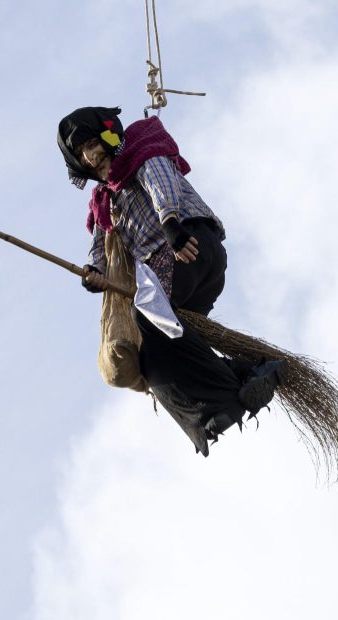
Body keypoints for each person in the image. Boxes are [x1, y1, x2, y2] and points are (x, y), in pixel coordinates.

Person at [57, 106, 284, 455]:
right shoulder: (105, 201)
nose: (90, 155)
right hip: (180, 274)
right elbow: (101, 247)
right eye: (82, 153)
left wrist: (171, 223)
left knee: (146, 316)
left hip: (185, 247)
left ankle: (239, 374)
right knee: (154, 358)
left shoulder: (138, 148)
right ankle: (211, 415)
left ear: (106, 135)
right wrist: (95, 272)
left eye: (91, 143)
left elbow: (159, 177)